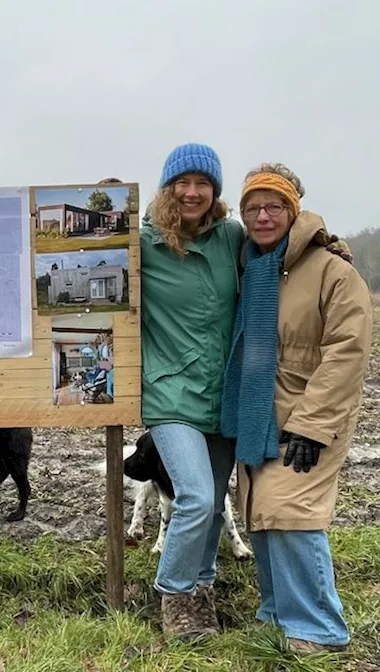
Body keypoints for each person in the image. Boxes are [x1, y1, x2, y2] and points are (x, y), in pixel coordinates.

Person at [221, 163, 372, 653]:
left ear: (294, 209)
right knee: (261, 513)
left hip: (311, 416)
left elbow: (347, 351)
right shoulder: (251, 265)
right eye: (253, 208)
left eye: (274, 206)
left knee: (291, 514)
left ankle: (319, 629)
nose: (263, 216)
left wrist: (313, 424)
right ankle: (277, 613)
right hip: (260, 411)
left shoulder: (332, 270)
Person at [136, 145, 246, 640]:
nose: (192, 192)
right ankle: (175, 595)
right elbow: (85, 256)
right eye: (183, 182)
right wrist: (99, 209)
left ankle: (202, 589)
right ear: (167, 187)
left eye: (204, 183)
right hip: (169, 392)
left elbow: (283, 252)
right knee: (198, 497)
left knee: (216, 502)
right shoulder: (143, 242)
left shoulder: (231, 238)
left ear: (215, 192)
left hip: (222, 394)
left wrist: (327, 246)